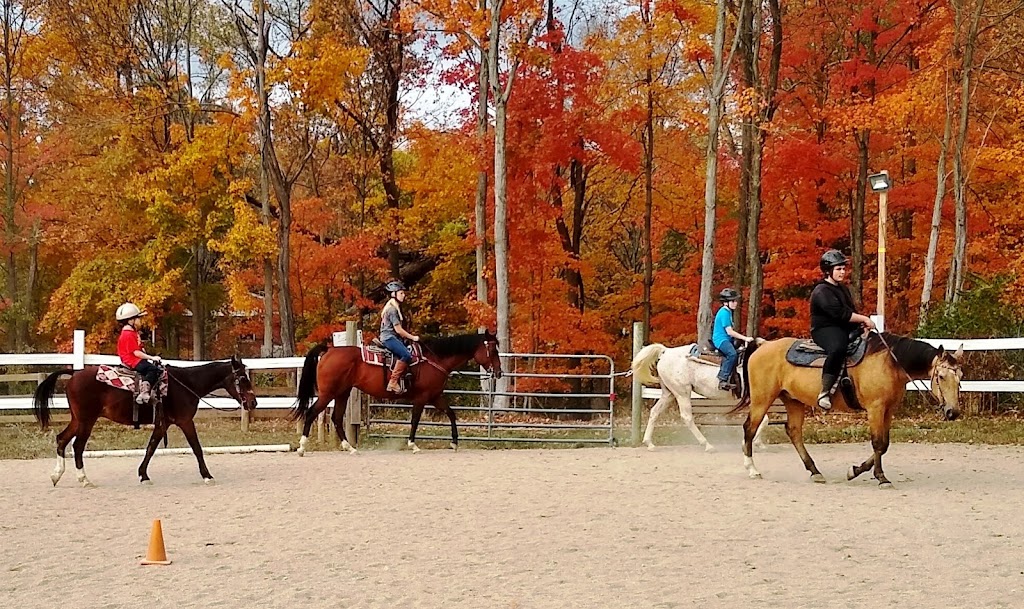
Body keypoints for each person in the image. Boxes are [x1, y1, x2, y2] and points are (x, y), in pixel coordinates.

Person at [810, 249, 877, 410]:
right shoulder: (821, 291)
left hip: (842, 327)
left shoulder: (842, 289)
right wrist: (864, 319)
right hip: (824, 329)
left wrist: (861, 328)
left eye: (843, 268)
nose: (842, 272)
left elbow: (850, 310)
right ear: (828, 271)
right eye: (838, 269)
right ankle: (825, 391)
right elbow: (841, 314)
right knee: (838, 347)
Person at [116, 302, 163, 404]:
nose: (139, 321)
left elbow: (140, 348)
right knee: (152, 369)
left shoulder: (133, 333)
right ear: (130, 320)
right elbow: (136, 352)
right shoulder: (128, 334)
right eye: (138, 318)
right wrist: (152, 358)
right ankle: (144, 392)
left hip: (134, 359)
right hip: (133, 361)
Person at [380, 280, 419, 393]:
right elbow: (398, 330)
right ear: (394, 294)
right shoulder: (392, 310)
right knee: (406, 355)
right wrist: (413, 337)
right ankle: (393, 382)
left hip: (392, 337)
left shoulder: (393, 307)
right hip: (389, 338)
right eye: (401, 293)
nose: (404, 295)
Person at [712, 288, 754, 390]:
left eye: (735, 301)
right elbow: (729, 332)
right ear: (726, 303)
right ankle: (723, 379)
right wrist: (746, 338)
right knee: (732, 354)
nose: (735, 303)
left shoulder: (728, 312)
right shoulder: (724, 313)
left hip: (726, 339)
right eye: (733, 301)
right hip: (720, 340)